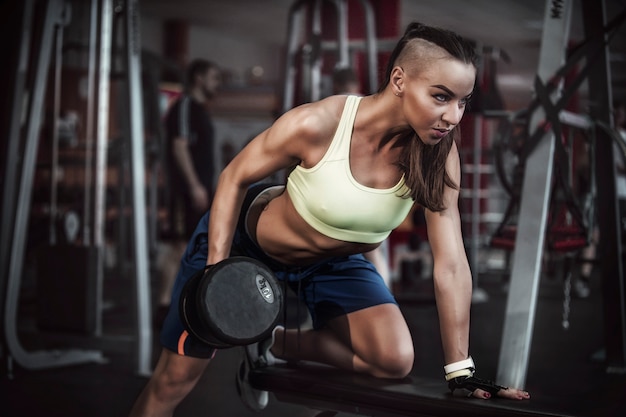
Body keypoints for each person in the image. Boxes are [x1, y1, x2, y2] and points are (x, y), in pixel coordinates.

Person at [129, 22, 530, 417]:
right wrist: (219, 275)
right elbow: (234, 177)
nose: (453, 116)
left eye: (463, 101)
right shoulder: (320, 123)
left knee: (393, 359)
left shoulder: (439, 154)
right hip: (244, 245)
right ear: (399, 80)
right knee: (174, 380)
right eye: (441, 97)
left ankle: (272, 341)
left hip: (332, 264)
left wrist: (460, 370)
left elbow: (452, 263)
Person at [154, 59, 221, 328]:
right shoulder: (183, 106)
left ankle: (185, 302)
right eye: (213, 77)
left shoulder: (200, 111)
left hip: (201, 192)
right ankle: (162, 307)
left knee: (195, 246)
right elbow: (179, 147)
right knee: (179, 246)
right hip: (186, 192)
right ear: (199, 78)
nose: (216, 83)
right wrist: (194, 185)